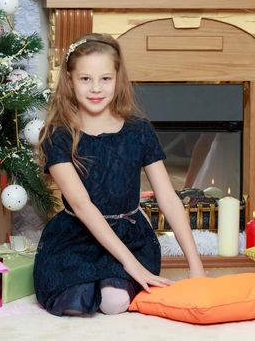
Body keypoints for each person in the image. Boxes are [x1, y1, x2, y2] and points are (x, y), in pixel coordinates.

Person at [34, 33, 205, 317]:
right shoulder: (59, 134)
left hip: (129, 235)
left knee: (114, 303)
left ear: (117, 78)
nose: (96, 88)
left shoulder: (139, 131)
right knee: (76, 301)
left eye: (105, 79)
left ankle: (116, 280)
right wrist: (131, 265)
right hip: (77, 235)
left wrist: (196, 266)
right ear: (69, 80)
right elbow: (82, 205)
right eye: (85, 79)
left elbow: (168, 199)